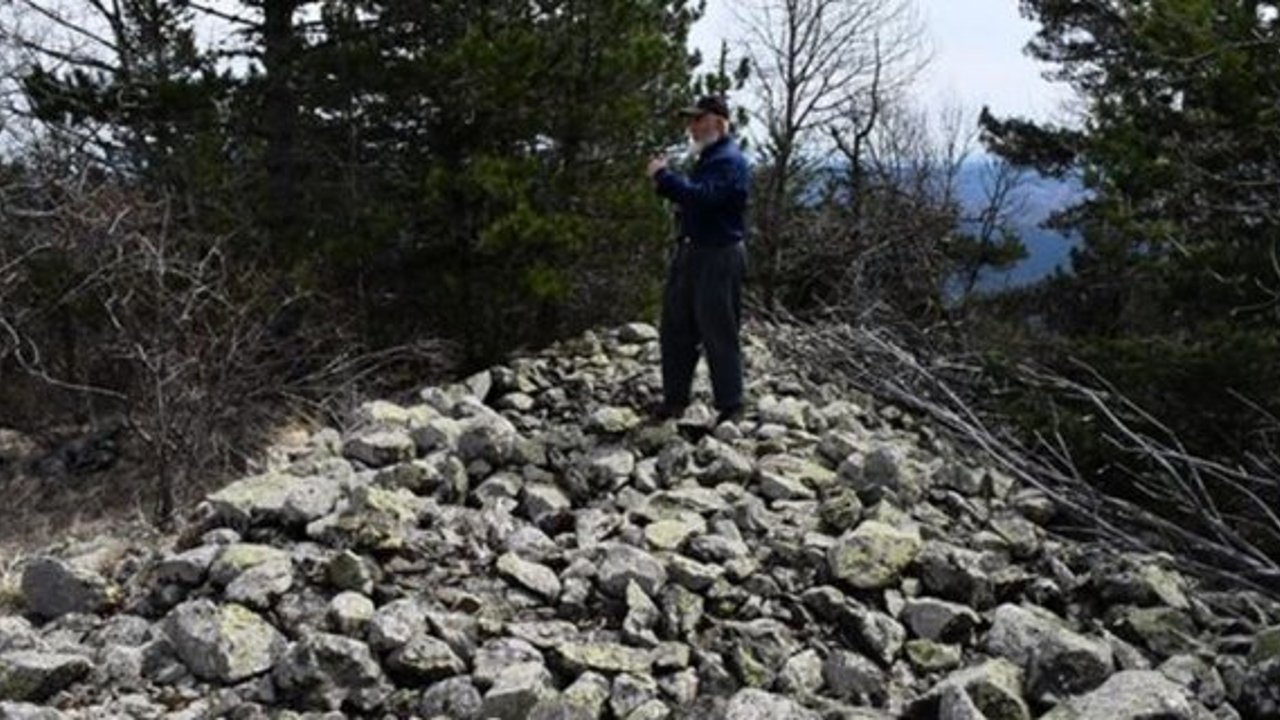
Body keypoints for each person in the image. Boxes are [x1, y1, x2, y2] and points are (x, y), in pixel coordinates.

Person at [645, 95, 751, 426]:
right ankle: (675, 400)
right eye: (690, 120)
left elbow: (703, 197)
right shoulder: (712, 157)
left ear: (718, 122)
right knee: (676, 328)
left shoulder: (729, 160)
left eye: (697, 119)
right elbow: (698, 196)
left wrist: (664, 178)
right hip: (693, 251)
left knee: (718, 329)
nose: (690, 127)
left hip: (718, 254)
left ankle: (731, 405)